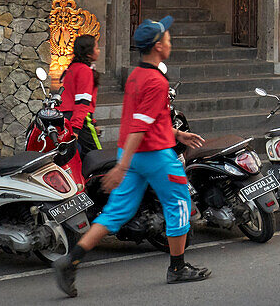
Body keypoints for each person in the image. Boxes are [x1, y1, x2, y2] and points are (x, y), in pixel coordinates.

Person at [53, 16, 209, 298]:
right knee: (179, 204)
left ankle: (71, 260)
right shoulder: (157, 81)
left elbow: (146, 119)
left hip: (133, 151)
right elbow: (141, 125)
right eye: (168, 38)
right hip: (155, 155)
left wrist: (177, 134)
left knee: (116, 211)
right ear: (158, 46)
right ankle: (177, 267)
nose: (170, 42)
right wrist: (121, 167)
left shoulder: (136, 76)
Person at [57, 35, 102, 182]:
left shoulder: (72, 68)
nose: (99, 50)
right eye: (96, 47)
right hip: (78, 119)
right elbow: (82, 102)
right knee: (98, 158)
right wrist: (76, 129)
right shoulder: (84, 71)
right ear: (89, 53)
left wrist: (92, 123)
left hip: (67, 117)